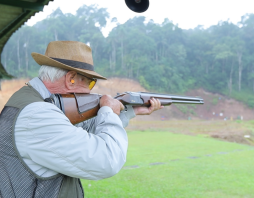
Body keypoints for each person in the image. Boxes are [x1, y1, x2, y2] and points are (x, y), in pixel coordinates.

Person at [0, 41, 162, 198]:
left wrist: (127, 111)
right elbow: (107, 160)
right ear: (71, 78)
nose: (90, 90)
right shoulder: (37, 115)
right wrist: (109, 113)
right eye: (90, 83)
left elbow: (79, 135)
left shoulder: (35, 103)